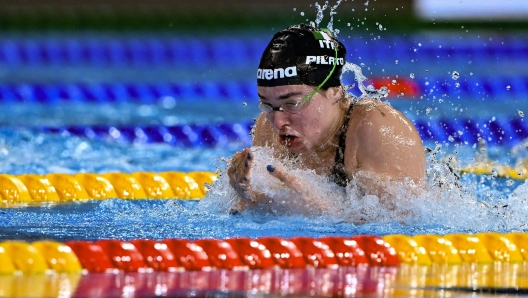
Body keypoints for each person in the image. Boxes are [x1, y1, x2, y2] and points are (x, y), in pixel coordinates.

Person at [228, 24, 426, 212]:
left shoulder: (377, 130)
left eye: (292, 104)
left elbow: (408, 223)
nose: (278, 122)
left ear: (334, 91)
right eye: (267, 105)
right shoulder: (268, 126)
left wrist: (327, 209)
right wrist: (251, 198)